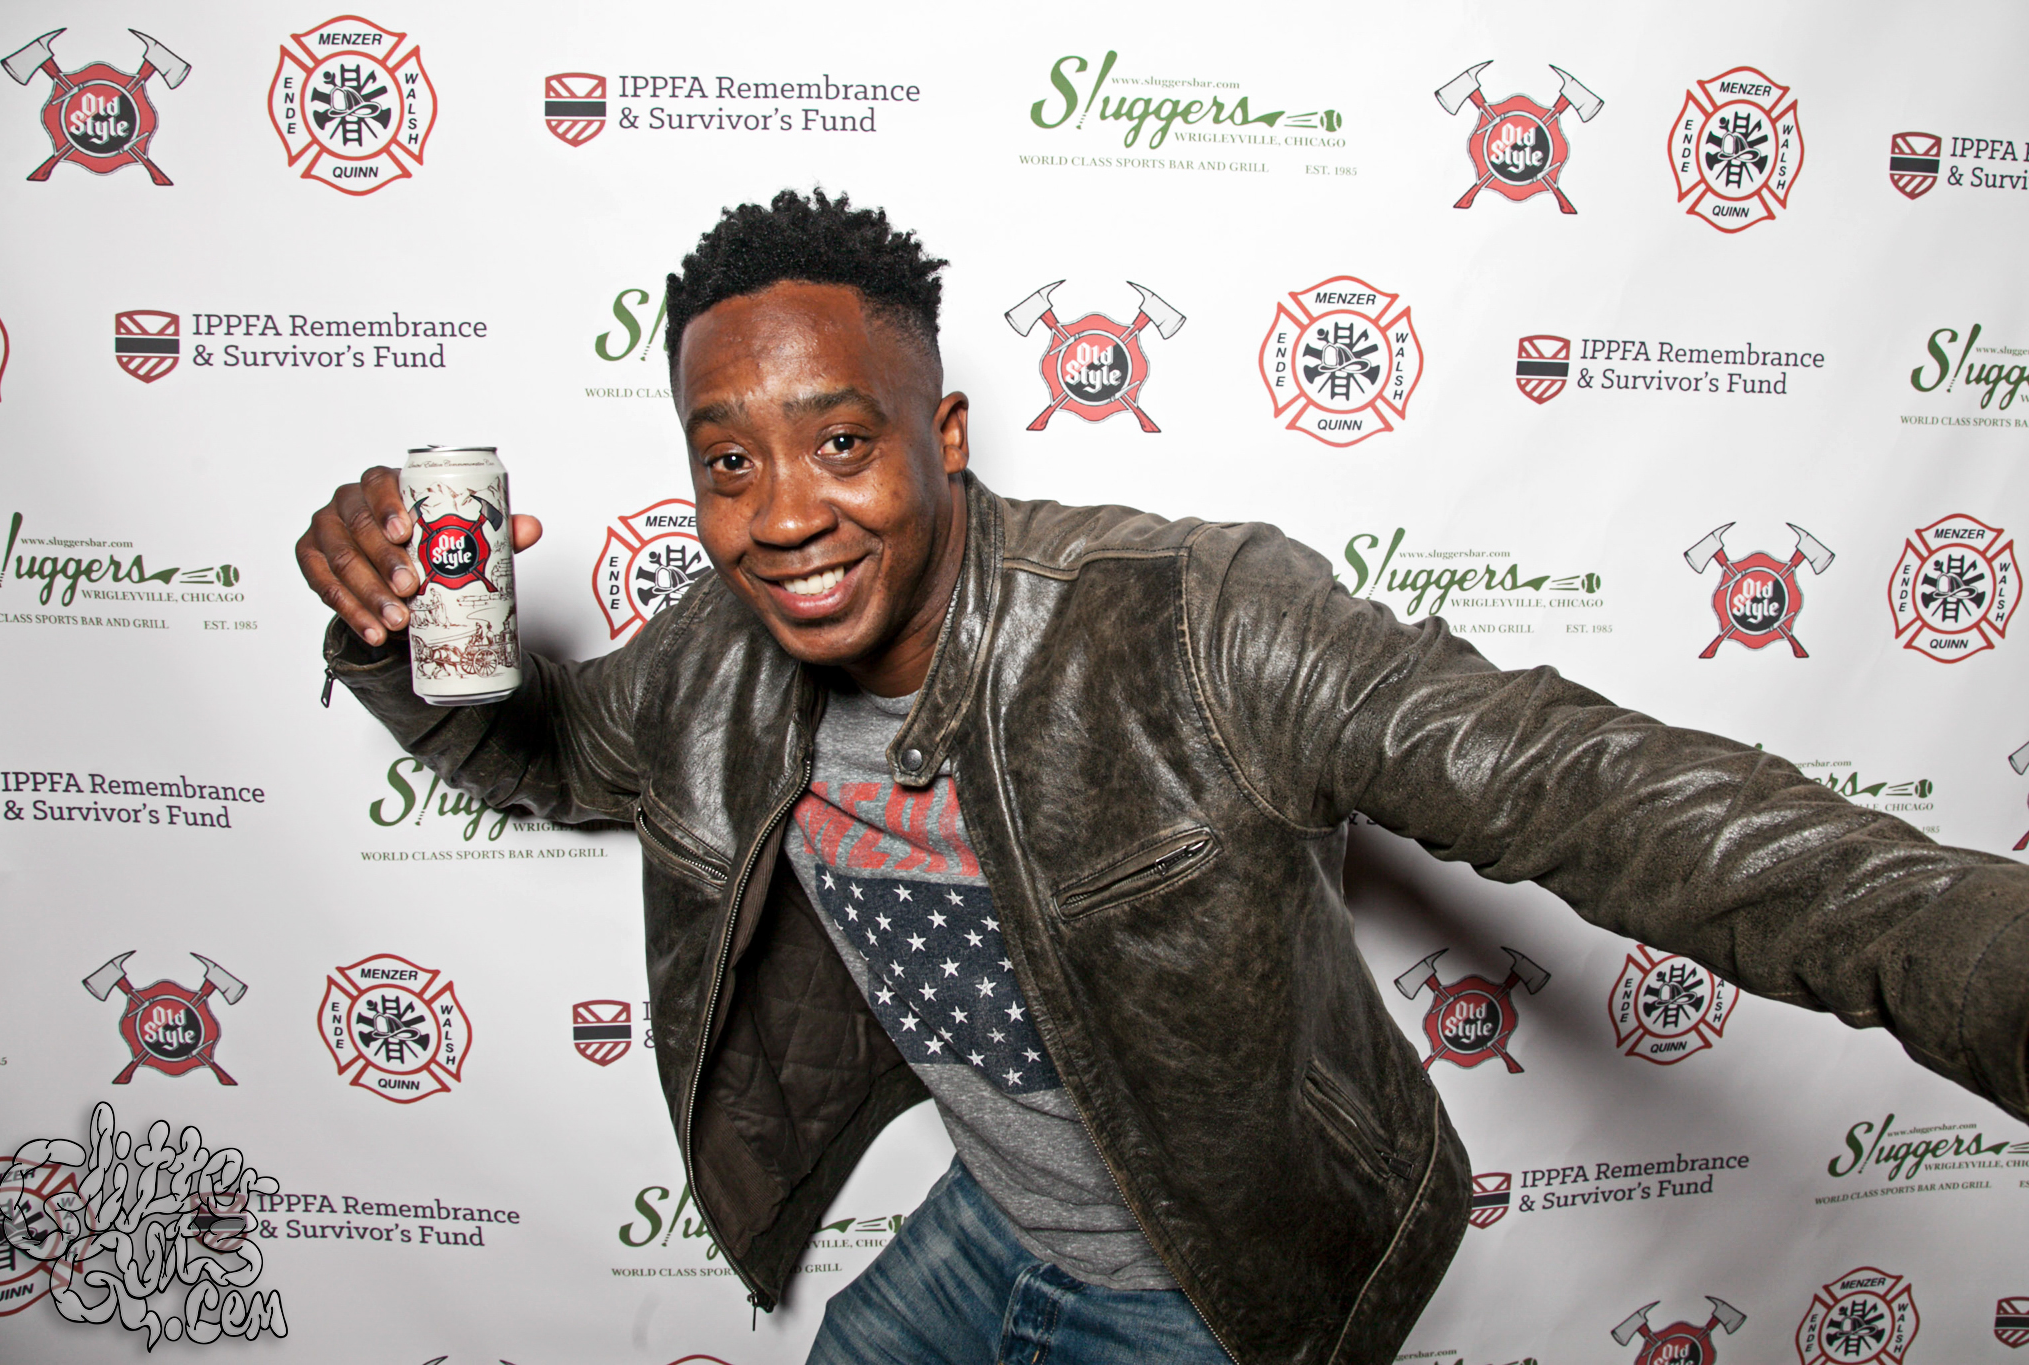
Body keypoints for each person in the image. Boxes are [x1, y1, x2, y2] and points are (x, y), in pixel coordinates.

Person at [296, 190, 2029, 1365]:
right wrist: (391, 641)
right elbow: (543, 753)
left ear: (943, 437)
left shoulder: (1185, 621)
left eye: (841, 441)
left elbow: (1587, 786)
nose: (786, 516)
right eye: (728, 463)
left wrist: (1979, 961)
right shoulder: (712, 661)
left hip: (1216, 1277)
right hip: (993, 1225)